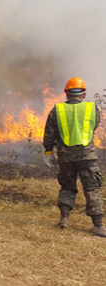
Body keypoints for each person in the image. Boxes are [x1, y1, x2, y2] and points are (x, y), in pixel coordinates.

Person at [42, 77, 105, 237]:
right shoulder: (92, 108)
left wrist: (49, 151)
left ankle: (64, 219)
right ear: (83, 94)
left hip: (65, 157)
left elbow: (49, 134)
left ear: (66, 93)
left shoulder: (57, 110)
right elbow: (94, 126)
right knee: (92, 188)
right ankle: (98, 225)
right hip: (87, 156)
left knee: (67, 187)